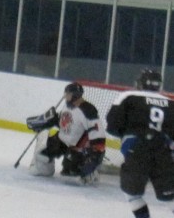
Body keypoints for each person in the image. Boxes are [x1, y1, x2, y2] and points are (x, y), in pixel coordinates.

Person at [106, 69, 174, 218]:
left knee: (131, 193)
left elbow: (112, 125)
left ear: (142, 83)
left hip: (137, 152)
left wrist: (128, 137)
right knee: (169, 196)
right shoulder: (170, 102)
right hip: (163, 152)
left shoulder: (128, 96)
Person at [27, 82, 106, 184]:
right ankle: (47, 170)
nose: (65, 96)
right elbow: (65, 123)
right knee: (43, 155)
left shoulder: (88, 110)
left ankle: (91, 174)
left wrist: (96, 152)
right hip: (62, 140)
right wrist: (50, 120)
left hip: (78, 147)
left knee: (70, 174)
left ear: (75, 95)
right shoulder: (68, 106)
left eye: (67, 94)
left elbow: (97, 131)